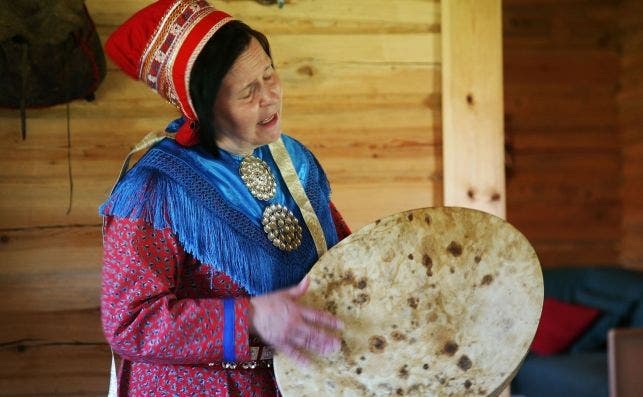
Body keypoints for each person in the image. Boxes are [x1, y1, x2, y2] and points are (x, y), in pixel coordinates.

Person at [100, 0, 351, 394]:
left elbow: (340, 258)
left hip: (296, 380)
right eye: (248, 91)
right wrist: (250, 318)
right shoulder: (155, 191)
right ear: (202, 107)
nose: (269, 97)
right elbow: (130, 323)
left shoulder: (293, 162)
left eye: (270, 75)